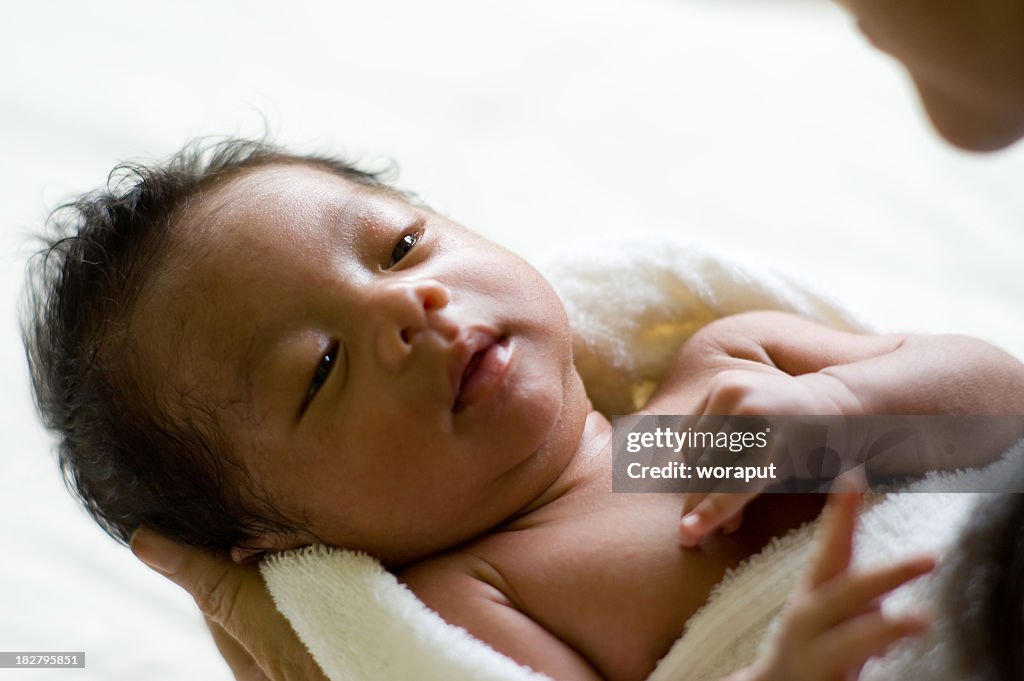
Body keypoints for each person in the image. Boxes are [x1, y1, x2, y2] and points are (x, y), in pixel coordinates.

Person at [25, 139, 1024, 680]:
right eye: (322, 366)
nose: (406, 309)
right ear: (276, 539)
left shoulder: (720, 371)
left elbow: (1000, 418)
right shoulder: (482, 596)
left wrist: (846, 410)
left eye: (400, 248)